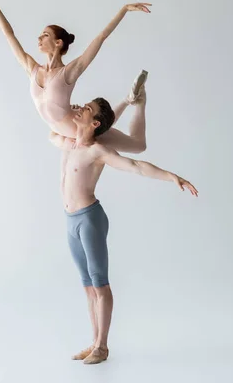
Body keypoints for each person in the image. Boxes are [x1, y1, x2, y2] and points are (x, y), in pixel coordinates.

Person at [49, 82, 197, 364]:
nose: (78, 108)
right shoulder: (67, 142)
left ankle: (102, 347)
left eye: (86, 109)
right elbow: (50, 126)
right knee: (87, 285)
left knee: (100, 283)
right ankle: (93, 342)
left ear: (94, 123)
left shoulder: (97, 151)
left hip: (89, 219)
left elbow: (137, 166)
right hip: (70, 221)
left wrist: (172, 176)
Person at [0, 0, 151, 153]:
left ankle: (135, 101)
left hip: (81, 129)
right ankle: (129, 99)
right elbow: (9, 35)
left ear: (58, 43)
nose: (39, 37)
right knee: (106, 126)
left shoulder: (68, 73)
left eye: (45, 34)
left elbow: (100, 38)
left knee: (138, 146)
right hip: (64, 134)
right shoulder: (32, 69)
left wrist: (124, 9)